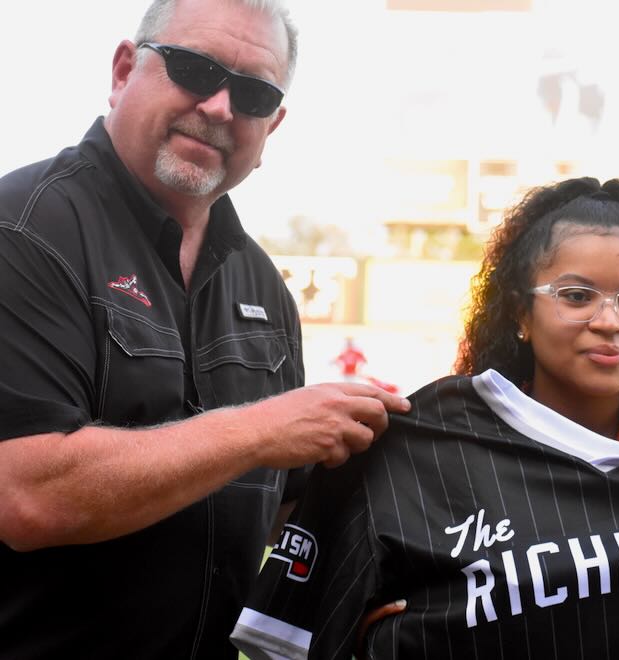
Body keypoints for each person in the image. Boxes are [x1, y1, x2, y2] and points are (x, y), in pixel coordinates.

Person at [231, 177, 619, 659]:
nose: (610, 320)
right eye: (576, 295)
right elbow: (298, 633)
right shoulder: (422, 449)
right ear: (521, 312)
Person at [0, 1, 409, 658]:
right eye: (193, 69)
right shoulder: (25, 230)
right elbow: (26, 495)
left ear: (272, 126)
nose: (220, 107)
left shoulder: (264, 288)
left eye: (252, 93)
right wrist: (262, 430)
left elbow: (286, 510)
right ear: (124, 70)